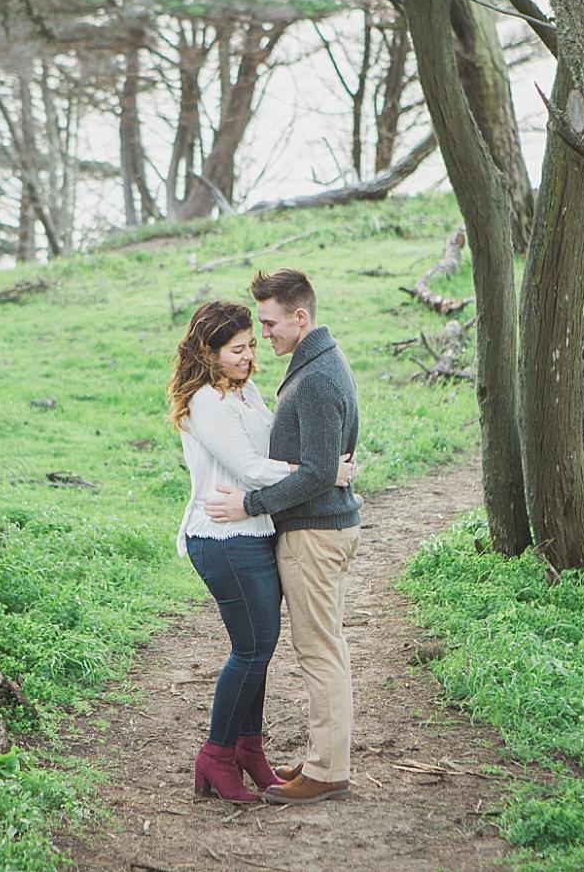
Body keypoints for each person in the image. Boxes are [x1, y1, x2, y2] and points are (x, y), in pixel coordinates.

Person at [168, 300, 356, 804]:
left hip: (255, 532)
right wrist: (321, 472)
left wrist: (311, 466)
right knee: (251, 649)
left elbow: (273, 452)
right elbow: (252, 468)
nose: (250, 356)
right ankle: (216, 753)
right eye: (237, 350)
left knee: (259, 648)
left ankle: (249, 750)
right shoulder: (207, 401)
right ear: (208, 352)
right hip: (223, 538)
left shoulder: (245, 391)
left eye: (252, 345)